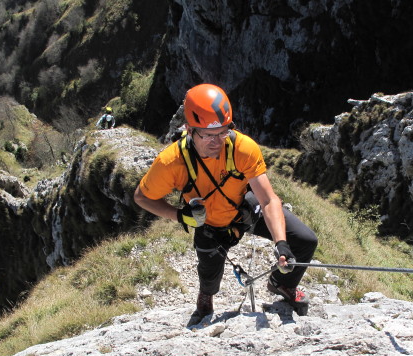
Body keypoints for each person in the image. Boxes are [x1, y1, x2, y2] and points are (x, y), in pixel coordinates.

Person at [134, 84, 317, 326]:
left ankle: (281, 283)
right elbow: (142, 197)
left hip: (243, 209)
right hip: (209, 222)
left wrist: (281, 243)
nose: (217, 141)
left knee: (305, 241)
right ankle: (206, 297)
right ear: (189, 129)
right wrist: (179, 216)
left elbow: (269, 199)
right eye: (208, 135)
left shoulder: (242, 148)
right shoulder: (171, 163)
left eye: (223, 132)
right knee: (209, 274)